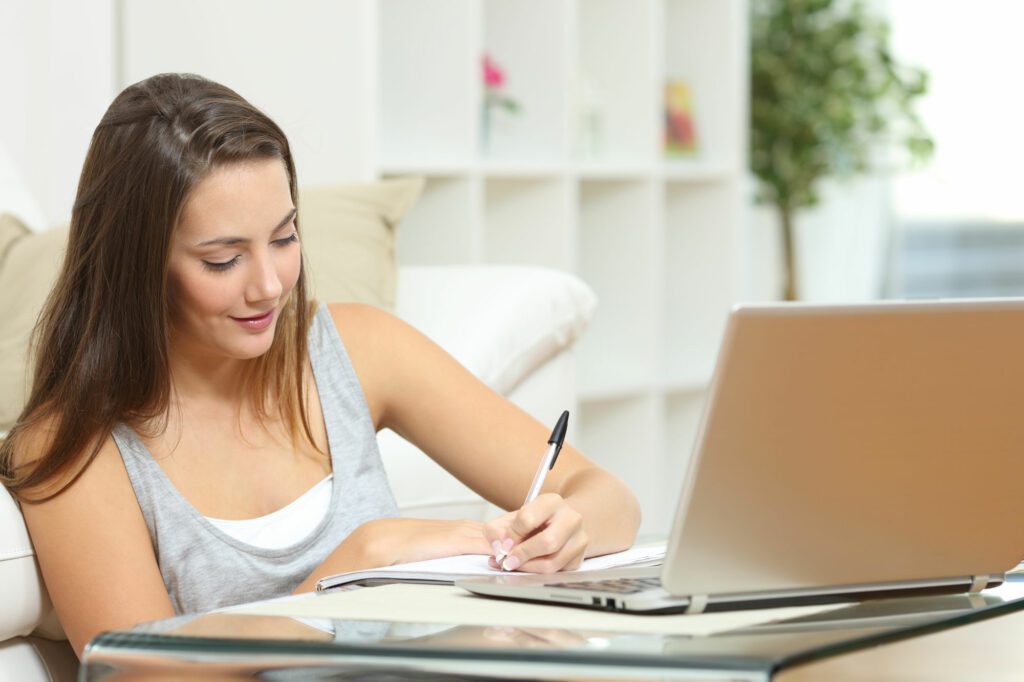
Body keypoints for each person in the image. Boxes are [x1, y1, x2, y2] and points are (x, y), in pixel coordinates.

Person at [0, 73, 640, 657]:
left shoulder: (355, 349)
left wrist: (565, 527)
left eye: (284, 238)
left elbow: (610, 499)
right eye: (223, 260)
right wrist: (355, 568)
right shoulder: (71, 446)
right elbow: (143, 677)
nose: (271, 285)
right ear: (138, 268)